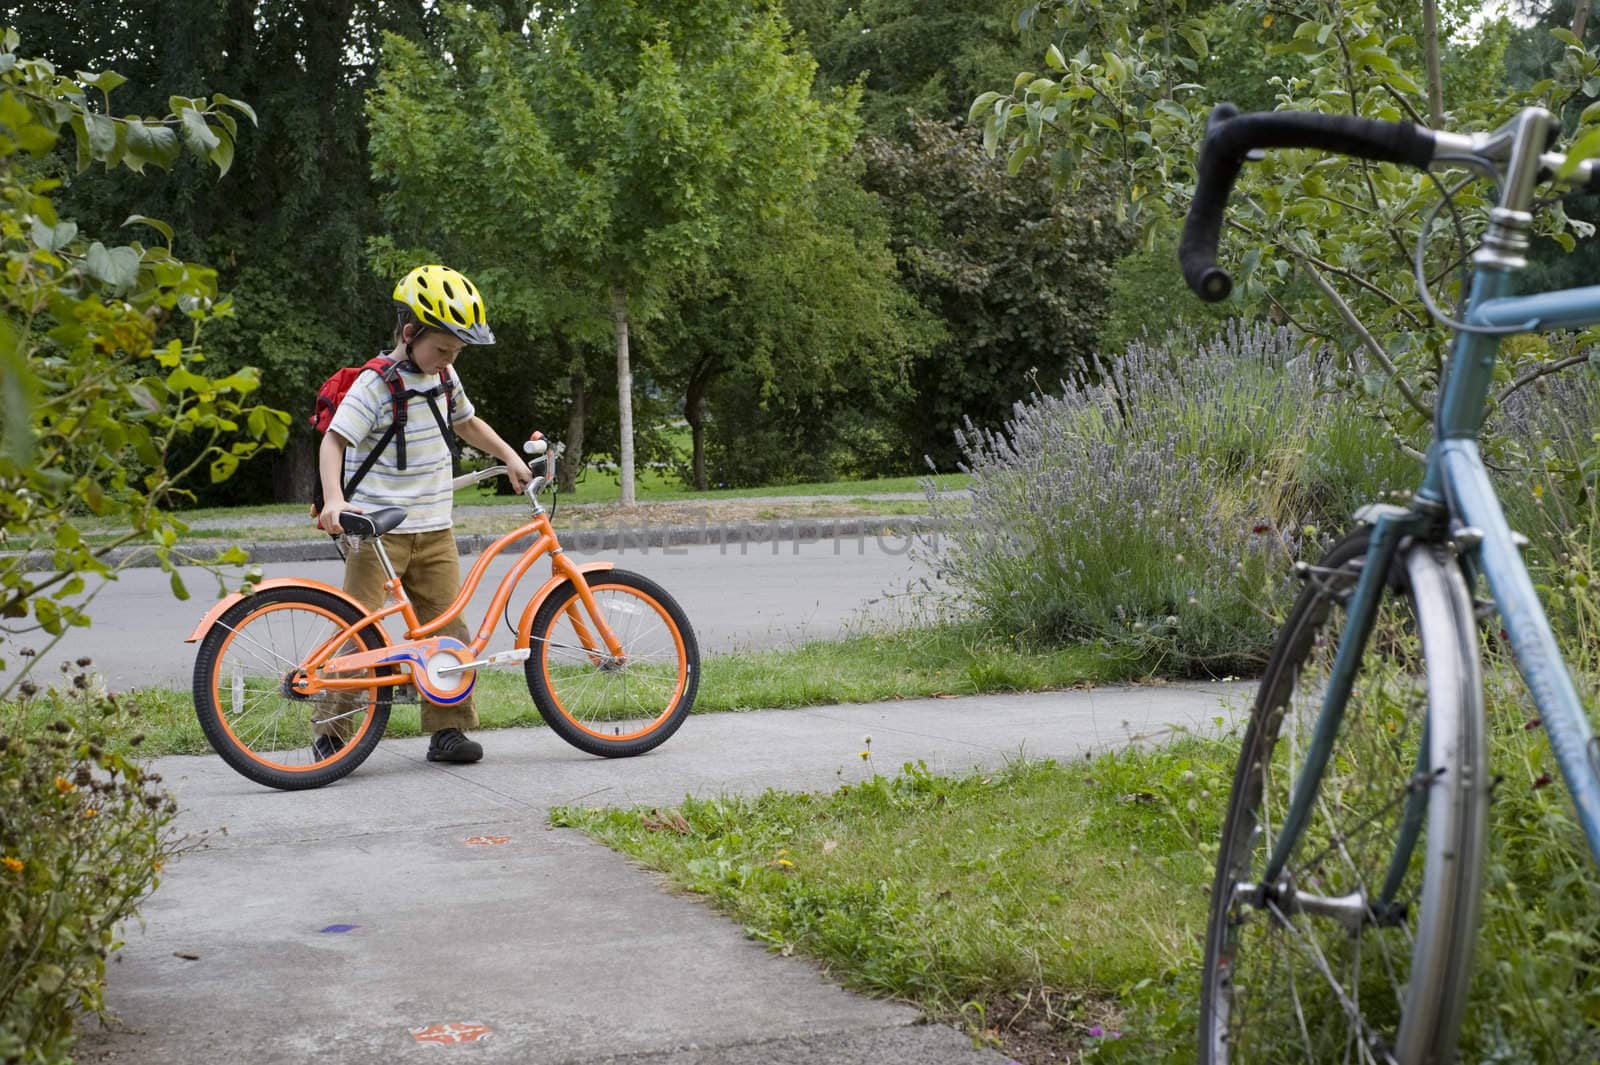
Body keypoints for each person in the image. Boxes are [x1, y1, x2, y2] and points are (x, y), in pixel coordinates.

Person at [314, 265, 532, 764]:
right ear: (410, 334)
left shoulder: (445, 376)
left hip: (435, 529)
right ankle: (331, 731)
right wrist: (333, 500)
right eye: (442, 350)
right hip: (379, 533)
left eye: (455, 353)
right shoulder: (374, 385)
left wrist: (508, 457)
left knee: (447, 631)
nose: (448, 361)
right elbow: (334, 440)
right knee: (357, 632)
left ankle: (448, 729)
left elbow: (467, 422)